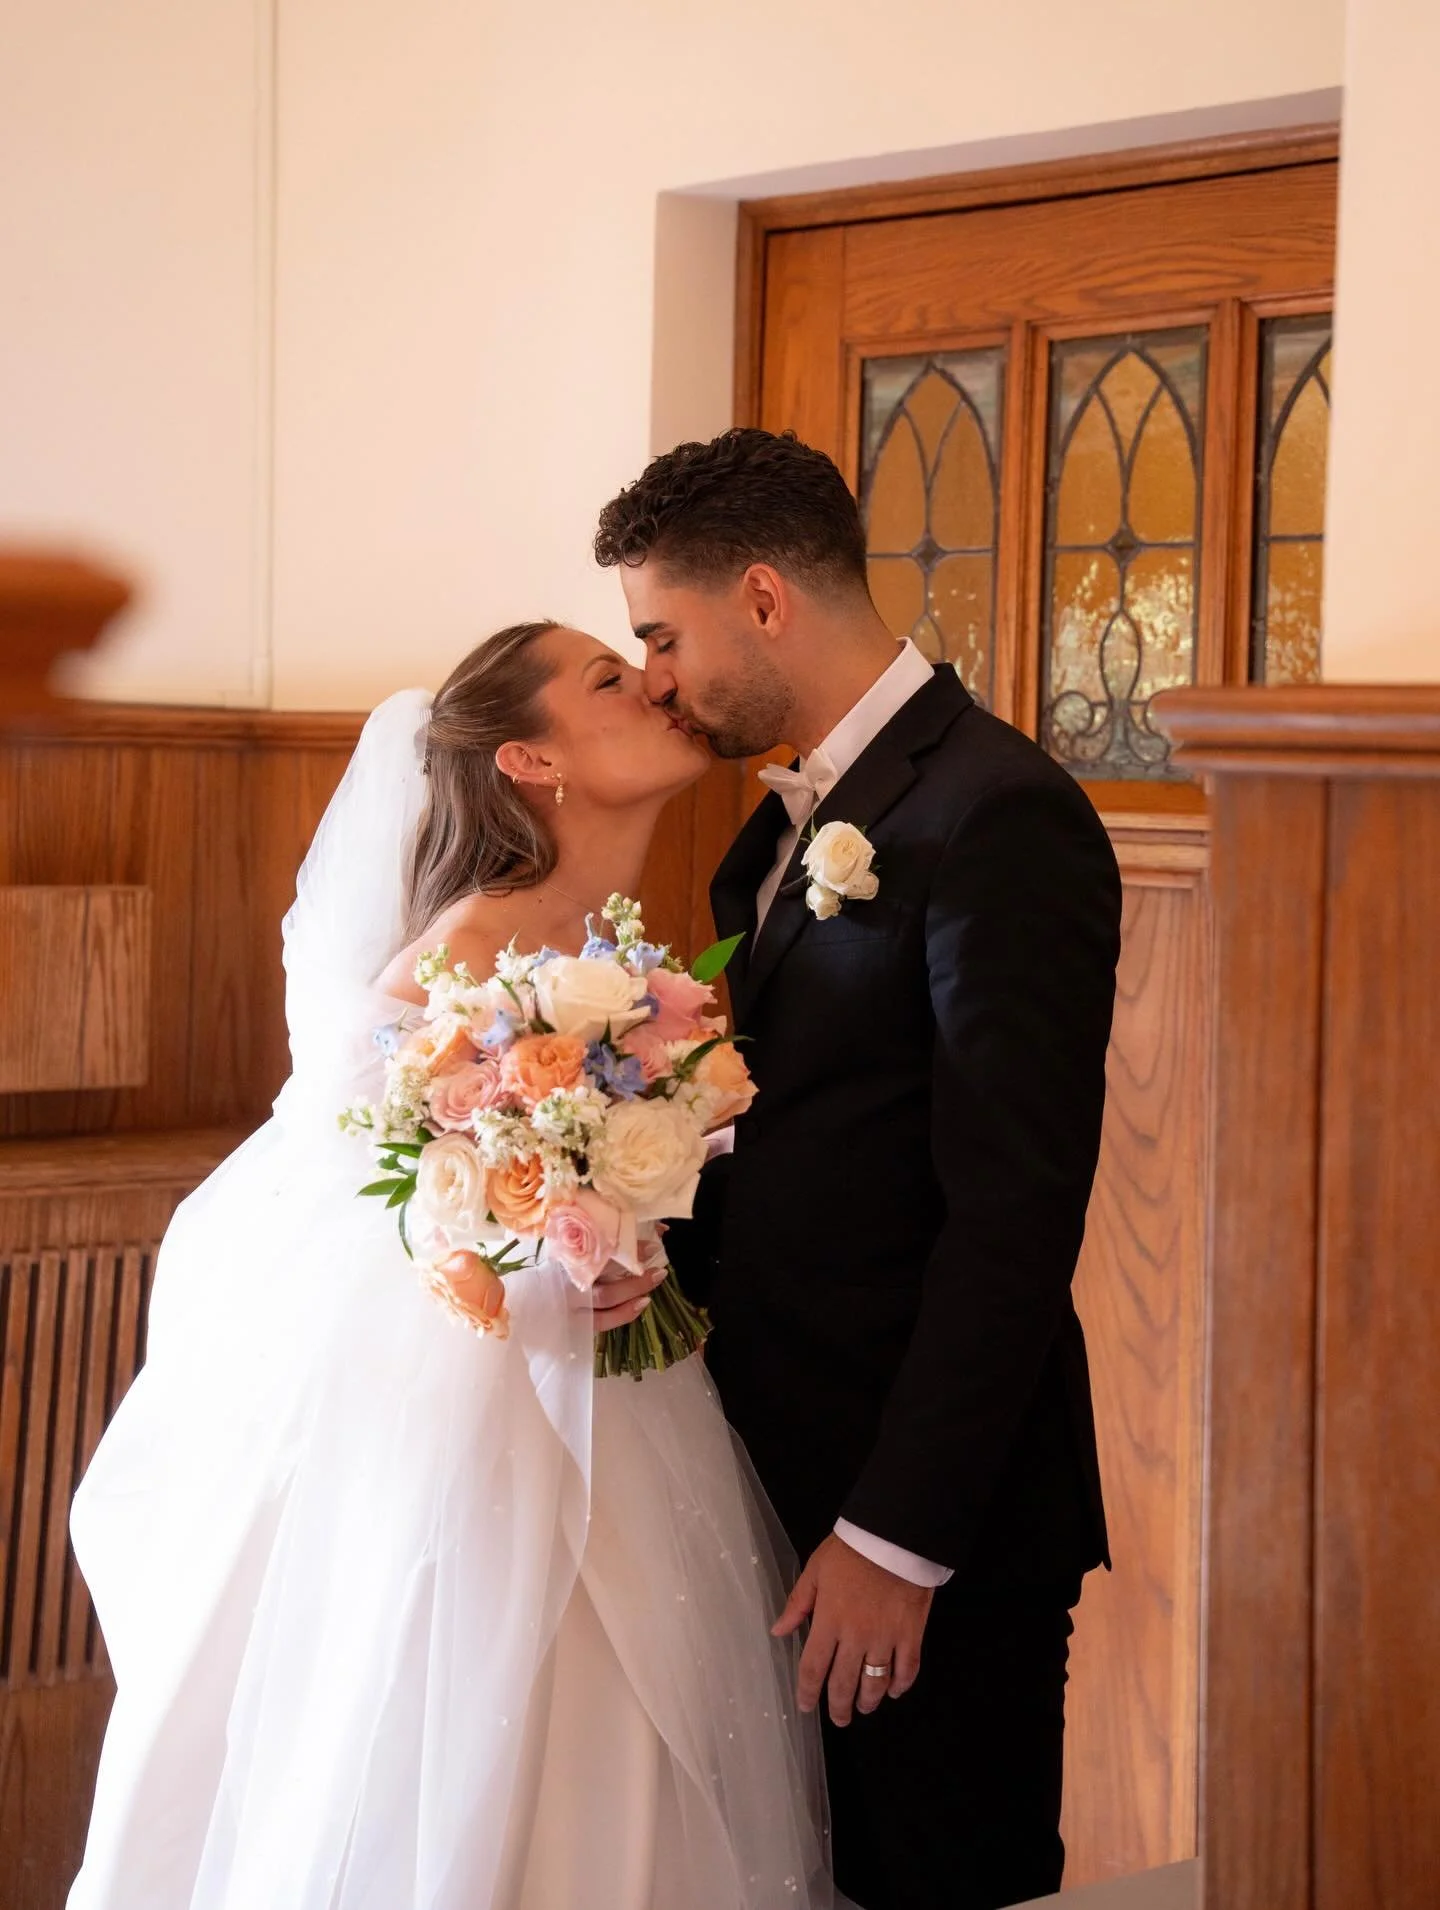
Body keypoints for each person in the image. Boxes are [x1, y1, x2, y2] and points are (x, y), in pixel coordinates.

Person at [67, 622, 840, 1910]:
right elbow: (365, 1211)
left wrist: (619, 1230)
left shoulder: (639, 962)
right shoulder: (455, 963)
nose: (651, 682)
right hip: (466, 1440)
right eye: (608, 675)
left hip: (628, 1409)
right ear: (530, 757)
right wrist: (541, 1255)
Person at [595, 428, 1123, 1910]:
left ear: (763, 596)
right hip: (760, 1487)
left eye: (663, 632)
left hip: (921, 1520)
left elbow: (1014, 1213)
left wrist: (898, 1534)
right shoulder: (773, 829)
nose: (653, 676)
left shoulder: (997, 813)